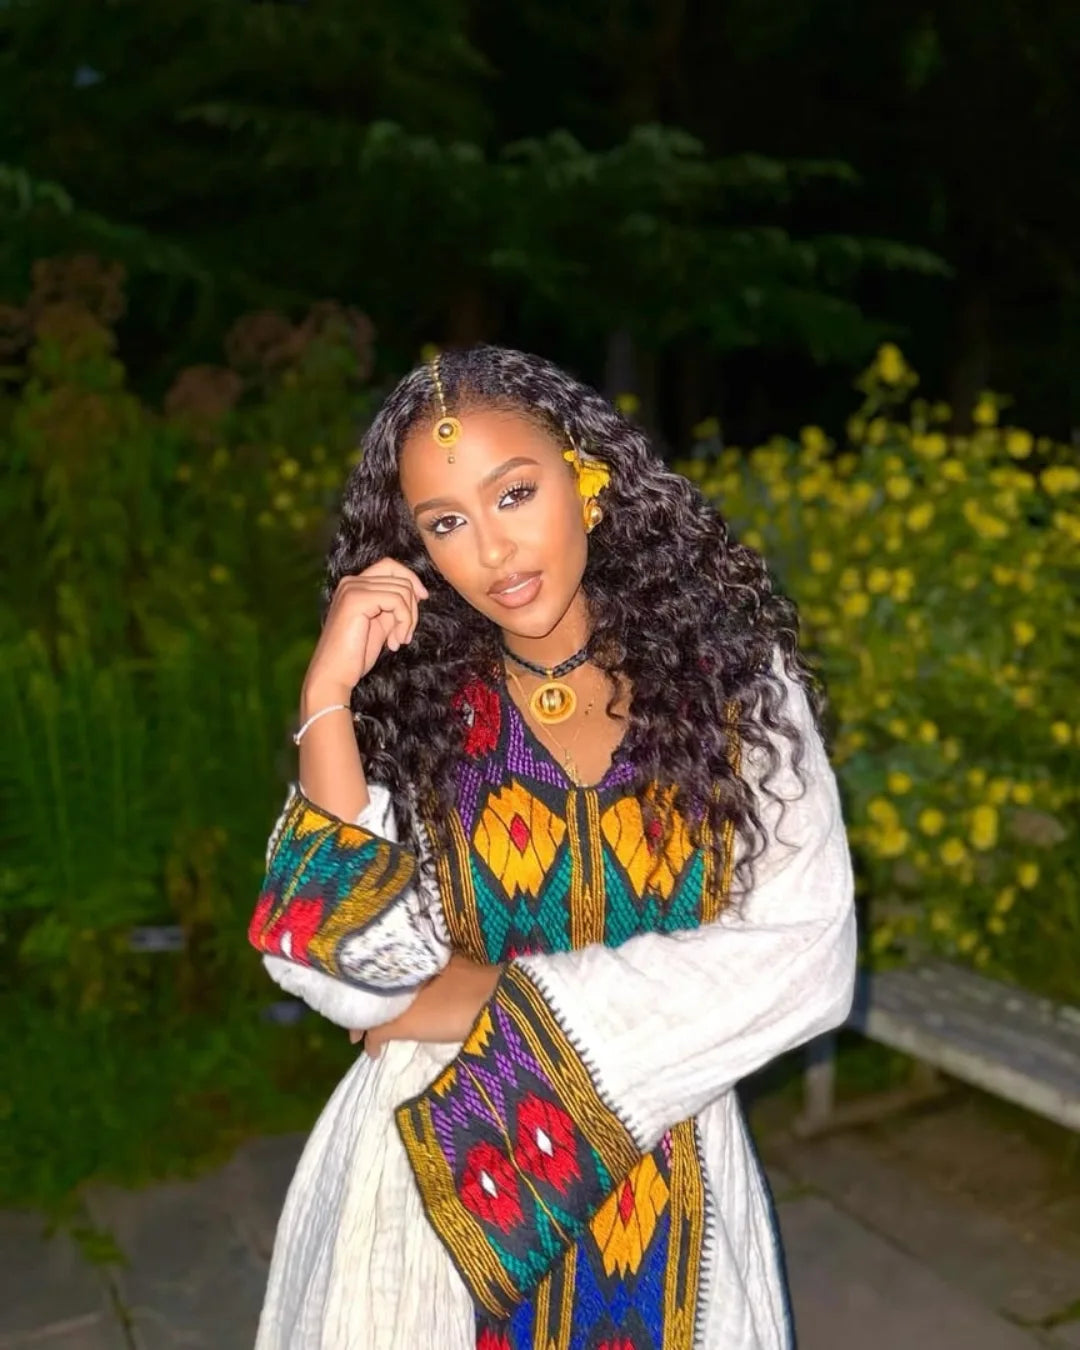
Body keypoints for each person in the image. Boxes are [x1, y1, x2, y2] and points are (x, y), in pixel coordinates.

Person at [249, 345, 856, 1350]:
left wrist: (479, 991)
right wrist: (327, 704)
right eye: (448, 523)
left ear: (587, 476)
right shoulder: (416, 711)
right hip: (425, 1212)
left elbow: (806, 957)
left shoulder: (736, 689)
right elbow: (344, 973)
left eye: (515, 493)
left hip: (674, 1197)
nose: (492, 548)